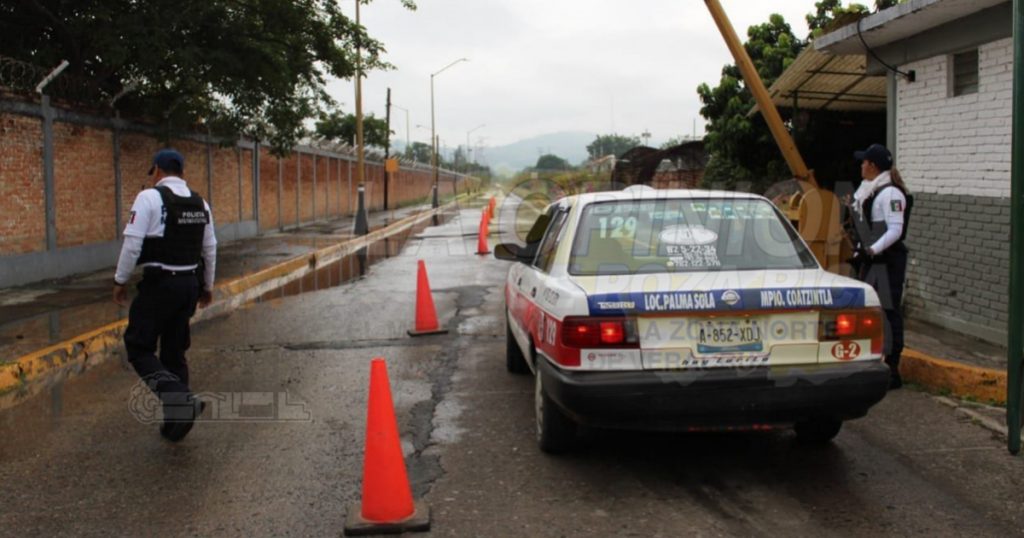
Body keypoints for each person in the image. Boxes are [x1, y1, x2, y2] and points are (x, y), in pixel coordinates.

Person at [113, 148, 217, 441]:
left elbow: (133, 245)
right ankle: (176, 423)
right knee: (174, 352)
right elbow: (210, 249)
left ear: (157, 170)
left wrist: (120, 280)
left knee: (139, 347)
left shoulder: (149, 198)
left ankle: (179, 400)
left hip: (160, 285)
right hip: (189, 285)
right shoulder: (201, 204)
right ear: (181, 172)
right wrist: (207, 287)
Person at [849, 143, 910, 389]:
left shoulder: (891, 194)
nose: (861, 165)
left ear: (873, 166)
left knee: (889, 311)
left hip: (887, 261)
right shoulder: (871, 191)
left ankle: (893, 369)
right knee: (870, 309)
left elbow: (896, 230)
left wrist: (872, 250)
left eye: (864, 162)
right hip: (873, 259)